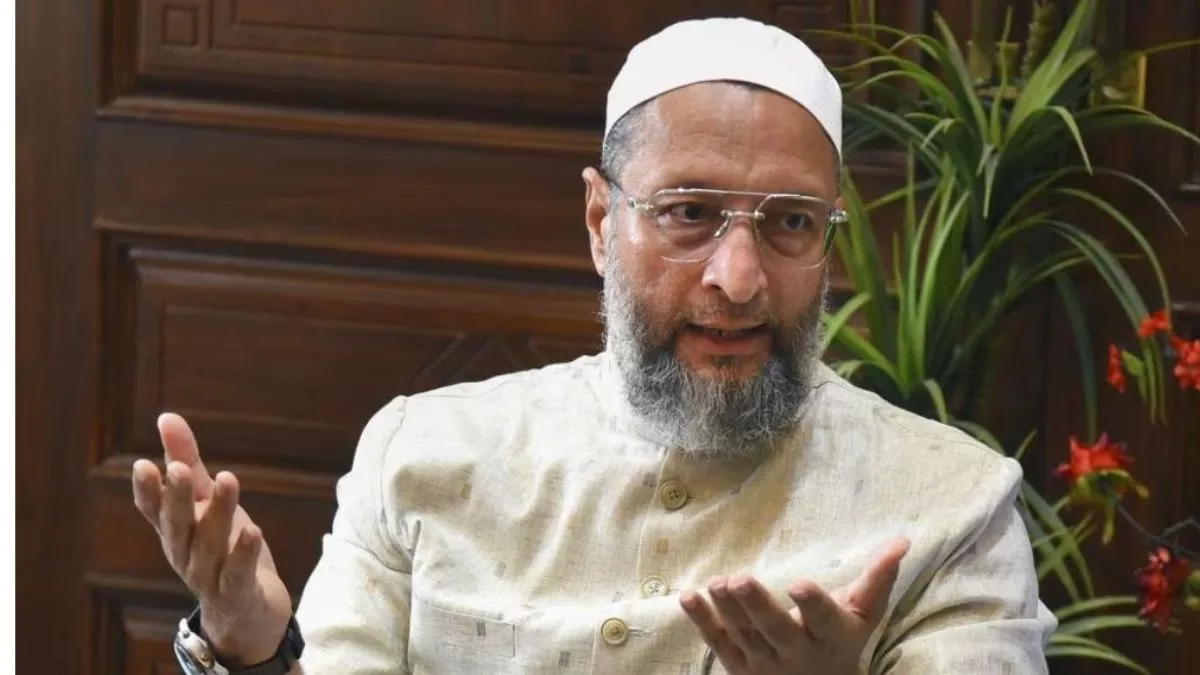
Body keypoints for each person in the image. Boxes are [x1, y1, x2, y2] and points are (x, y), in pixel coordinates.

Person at [131, 16, 1056, 675]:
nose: (739, 277)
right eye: (689, 212)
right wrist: (251, 643)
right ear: (600, 222)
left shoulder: (951, 508)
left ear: (830, 243)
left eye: (789, 222)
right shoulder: (422, 453)